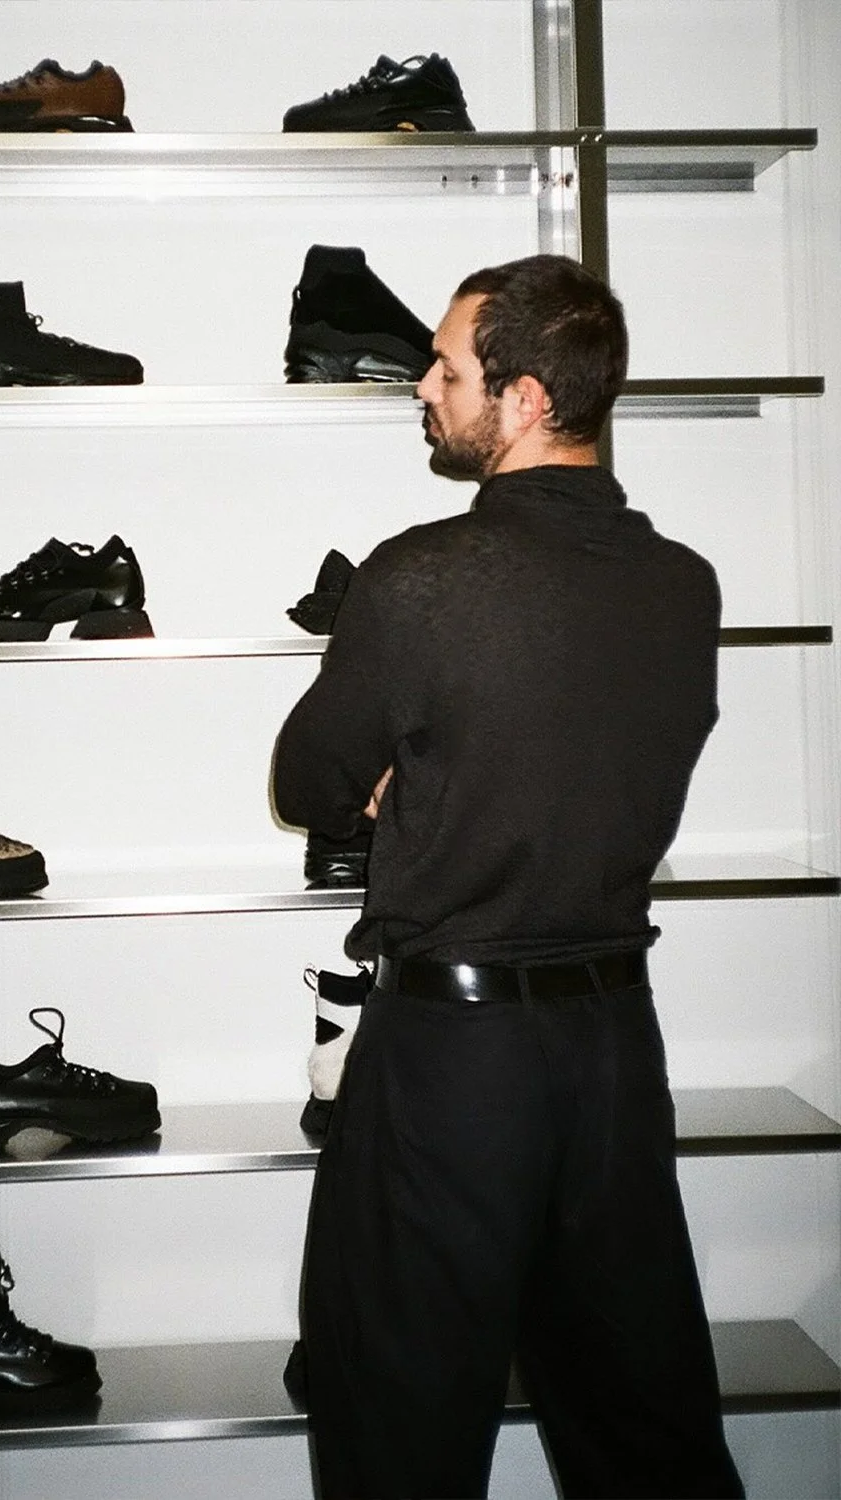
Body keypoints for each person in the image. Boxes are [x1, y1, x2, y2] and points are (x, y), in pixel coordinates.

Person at [271, 254, 744, 1500]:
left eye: (447, 367)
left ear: (525, 398)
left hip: (453, 1065)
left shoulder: (421, 578)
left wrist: (398, 782)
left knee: (400, 1433)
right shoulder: (683, 587)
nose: (424, 387)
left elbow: (308, 785)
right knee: (645, 1433)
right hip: (613, 1060)